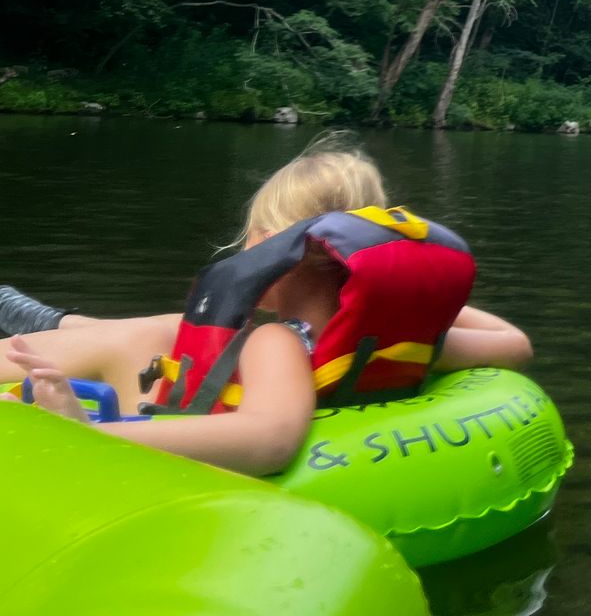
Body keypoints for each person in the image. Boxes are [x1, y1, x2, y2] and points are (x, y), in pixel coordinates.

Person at [1, 137, 532, 475]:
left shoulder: (277, 343)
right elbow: (514, 344)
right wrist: (411, 296)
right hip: (167, 357)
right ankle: (47, 317)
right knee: (153, 331)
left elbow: (269, 437)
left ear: (271, 249)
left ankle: (36, 318)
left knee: (139, 335)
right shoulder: (404, 347)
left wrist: (87, 434)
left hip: (137, 387)